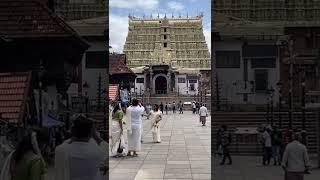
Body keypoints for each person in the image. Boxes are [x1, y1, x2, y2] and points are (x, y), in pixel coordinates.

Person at [55, 115, 107, 180]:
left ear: (72, 131)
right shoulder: (98, 151)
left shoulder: (61, 150)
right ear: (91, 133)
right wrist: (95, 136)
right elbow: (106, 148)